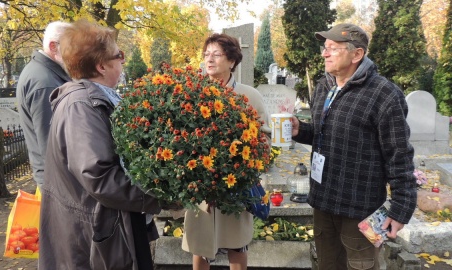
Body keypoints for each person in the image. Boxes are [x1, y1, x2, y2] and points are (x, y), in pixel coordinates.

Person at [290, 23, 417, 269]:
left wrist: (401, 208)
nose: (324, 54)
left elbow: (398, 154)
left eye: (332, 49)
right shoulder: (324, 86)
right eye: (324, 48)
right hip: (323, 202)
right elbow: (325, 133)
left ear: (357, 54)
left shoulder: (384, 94)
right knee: (326, 264)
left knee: (361, 264)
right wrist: (301, 131)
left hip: (360, 209)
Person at [39, 19, 161, 270]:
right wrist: (159, 196)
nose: (123, 61)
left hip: (112, 221)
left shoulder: (96, 99)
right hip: (95, 234)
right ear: (101, 65)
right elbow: (100, 176)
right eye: (119, 55)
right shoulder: (81, 107)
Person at [181, 33, 271, 270]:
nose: (209, 59)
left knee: (237, 244)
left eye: (216, 54)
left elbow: (265, 139)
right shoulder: (191, 93)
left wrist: (242, 161)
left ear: (231, 61)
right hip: (200, 182)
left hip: (236, 183)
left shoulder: (250, 96)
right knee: (201, 245)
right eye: (206, 54)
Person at [17, 21, 72, 190]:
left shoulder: (45, 74)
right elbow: (51, 145)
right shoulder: (45, 83)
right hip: (59, 183)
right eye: (72, 46)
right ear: (53, 46)